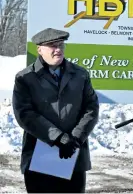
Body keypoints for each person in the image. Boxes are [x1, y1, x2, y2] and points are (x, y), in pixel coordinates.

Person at [12, 28, 99, 193]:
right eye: (52, 45)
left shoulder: (80, 75)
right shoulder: (26, 78)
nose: (58, 49)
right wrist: (59, 138)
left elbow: (91, 108)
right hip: (40, 156)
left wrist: (75, 139)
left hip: (73, 153)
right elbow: (25, 114)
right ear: (39, 49)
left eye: (61, 45)